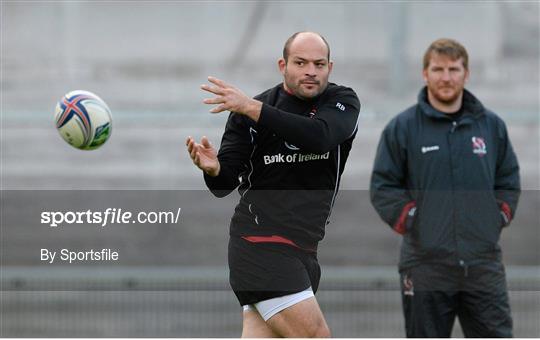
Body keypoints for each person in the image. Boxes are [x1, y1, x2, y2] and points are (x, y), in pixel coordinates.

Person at [186, 31, 360, 337]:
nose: (310, 71)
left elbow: (320, 137)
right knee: (315, 335)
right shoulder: (248, 113)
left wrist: (251, 107)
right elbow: (223, 184)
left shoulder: (341, 102)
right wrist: (213, 169)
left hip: (304, 250)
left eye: (319, 64)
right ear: (283, 65)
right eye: (301, 62)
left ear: (329, 68)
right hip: (260, 247)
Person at [370, 38, 520, 338]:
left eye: (454, 69)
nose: (446, 77)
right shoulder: (402, 128)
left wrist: (496, 217)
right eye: (438, 69)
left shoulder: (491, 127)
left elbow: (508, 180)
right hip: (425, 266)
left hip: (482, 264)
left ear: (466, 73)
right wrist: (415, 221)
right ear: (425, 74)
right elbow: (383, 187)